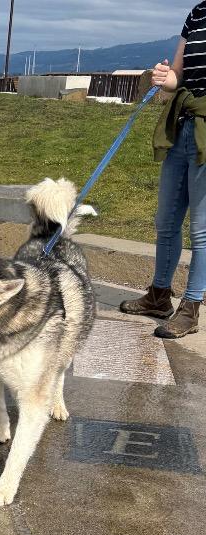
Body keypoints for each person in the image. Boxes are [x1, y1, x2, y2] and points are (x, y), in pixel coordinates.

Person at [121, 6, 206, 338]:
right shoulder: (198, 13)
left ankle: (192, 306)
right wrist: (164, 77)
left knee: (201, 229)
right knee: (166, 221)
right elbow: (178, 75)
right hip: (182, 126)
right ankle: (159, 296)